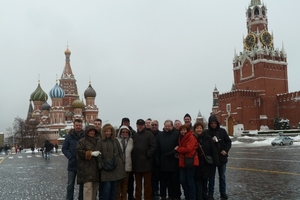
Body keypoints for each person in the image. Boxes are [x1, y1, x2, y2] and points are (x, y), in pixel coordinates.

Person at [96, 123, 126, 200]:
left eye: (109, 131)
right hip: (105, 169)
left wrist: (121, 162)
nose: (108, 133)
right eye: (106, 131)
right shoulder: (100, 142)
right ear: (103, 132)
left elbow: (120, 152)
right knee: (106, 189)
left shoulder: (115, 140)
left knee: (114, 190)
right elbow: (99, 155)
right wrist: (100, 166)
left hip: (115, 167)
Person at [206, 115, 232, 200]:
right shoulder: (207, 133)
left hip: (222, 157)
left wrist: (225, 150)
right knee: (211, 178)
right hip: (212, 159)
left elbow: (228, 142)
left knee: (222, 177)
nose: (213, 125)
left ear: (217, 123)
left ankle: (223, 193)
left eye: (214, 123)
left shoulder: (222, 131)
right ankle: (210, 194)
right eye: (211, 123)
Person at [132, 119, 157, 200]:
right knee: (138, 185)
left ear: (144, 125)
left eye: (142, 125)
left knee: (147, 184)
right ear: (136, 125)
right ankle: (138, 198)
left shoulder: (149, 134)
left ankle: (147, 198)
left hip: (147, 164)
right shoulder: (134, 135)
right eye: (139, 125)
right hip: (137, 164)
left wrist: (147, 155)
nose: (140, 126)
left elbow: (153, 146)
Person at [194, 122, 220, 200]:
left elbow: (213, 150)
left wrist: (216, 162)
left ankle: (205, 197)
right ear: (194, 129)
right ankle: (199, 197)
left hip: (206, 165)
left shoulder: (208, 138)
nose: (199, 130)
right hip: (196, 165)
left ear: (202, 129)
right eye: (197, 128)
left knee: (205, 182)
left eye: (200, 128)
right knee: (198, 183)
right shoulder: (193, 139)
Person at [156, 120, 181, 200]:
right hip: (163, 162)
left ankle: (174, 196)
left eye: (168, 126)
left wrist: (175, 152)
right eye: (166, 126)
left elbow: (179, 146)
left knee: (174, 182)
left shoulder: (176, 134)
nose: (167, 127)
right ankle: (163, 196)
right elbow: (158, 148)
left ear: (172, 126)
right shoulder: (160, 135)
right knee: (163, 182)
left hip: (173, 161)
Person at [62, 119, 85, 200]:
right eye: (76, 125)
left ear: (82, 126)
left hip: (82, 164)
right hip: (72, 164)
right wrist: (70, 157)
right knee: (70, 184)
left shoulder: (85, 136)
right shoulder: (69, 136)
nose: (78, 127)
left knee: (82, 185)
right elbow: (64, 149)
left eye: (79, 125)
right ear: (74, 126)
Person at [76, 125, 101, 200]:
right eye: (90, 131)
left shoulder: (97, 140)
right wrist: (91, 153)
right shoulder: (82, 141)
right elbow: (79, 152)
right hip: (86, 169)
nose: (92, 132)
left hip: (95, 169)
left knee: (94, 188)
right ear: (87, 132)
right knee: (88, 188)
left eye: (93, 131)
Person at [175, 124, 198, 200]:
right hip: (183, 162)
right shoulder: (181, 138)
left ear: (187, 130)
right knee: (183, 180)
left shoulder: (191, 137)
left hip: (190, 162)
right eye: (181, 130)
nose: (183, 131)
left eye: (185, 129)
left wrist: (178, 149)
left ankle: (191, 197)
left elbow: (188, 149)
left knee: (190, 181)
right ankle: (187, 196)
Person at [117, 117, 136, 200]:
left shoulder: (131, 141)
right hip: (118, 167)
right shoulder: (116, 140)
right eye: (123, 132)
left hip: (128, 166)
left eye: (126, 132)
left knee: (125, 185)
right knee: (118, 186)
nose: (124, 133)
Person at [150, 120, 161, 200]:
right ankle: (152, 192)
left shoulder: (161, 134)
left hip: (159, 159)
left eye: (155, 125)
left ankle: (157, 191)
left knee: (158, 178)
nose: (154, 126)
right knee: (151, 178)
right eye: (152, 125)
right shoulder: (148, 134)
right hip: (149, 160)